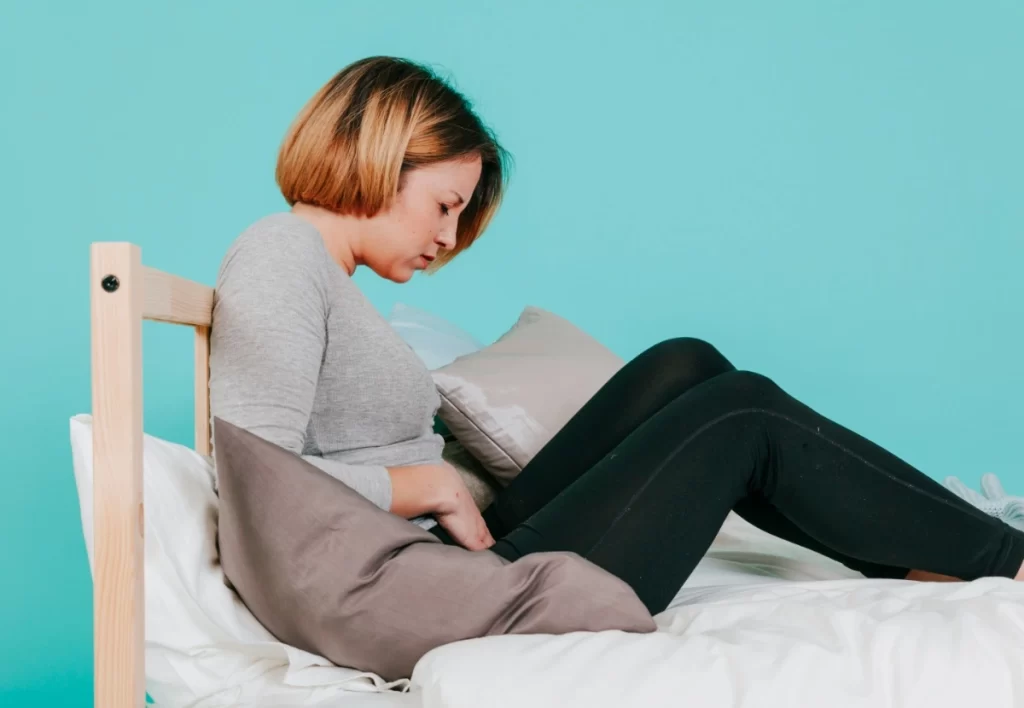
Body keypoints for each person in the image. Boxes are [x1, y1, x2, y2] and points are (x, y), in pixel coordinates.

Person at [209, 55, 1024, 618]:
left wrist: (439, 480)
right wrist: (427, 486)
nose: (449, 239)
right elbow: (256, 487)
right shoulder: (280, 256)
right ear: (379, 158)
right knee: (741, 414)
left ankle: (917, 552)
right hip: (430, 591)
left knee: (686, 364)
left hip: (443, 556)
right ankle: (1004, 557)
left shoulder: (326, 278)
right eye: (446, 205)